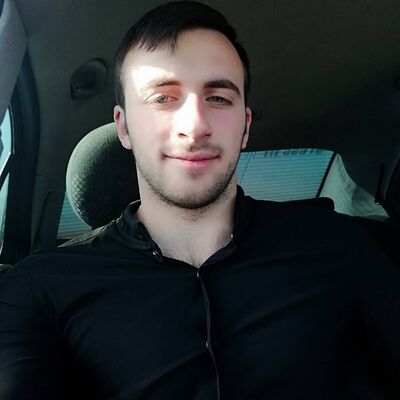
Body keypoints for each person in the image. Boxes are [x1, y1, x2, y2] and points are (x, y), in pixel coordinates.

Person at [0, 1, 399, 399]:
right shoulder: (40, 289)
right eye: (163, 98)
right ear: (124, 128)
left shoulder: (338, 246)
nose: (194, 126)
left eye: (219, 98)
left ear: (245, 127)